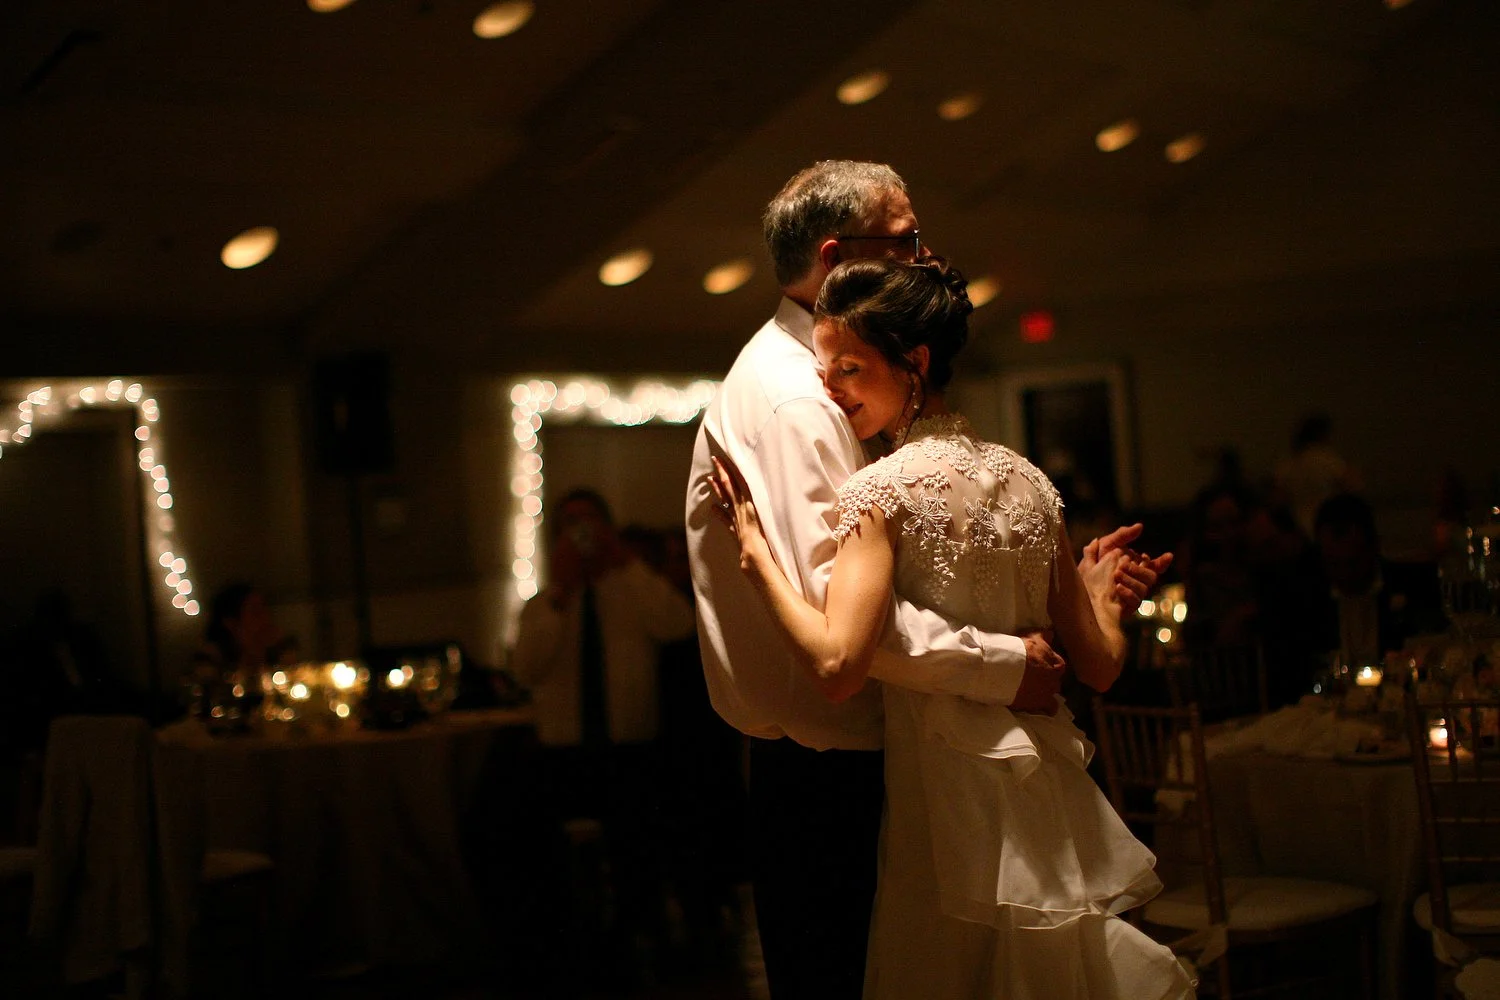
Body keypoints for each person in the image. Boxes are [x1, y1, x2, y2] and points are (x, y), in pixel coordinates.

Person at [684, 160, 1168, 999]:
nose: (925, 253)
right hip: (835, 770)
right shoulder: (804, 400)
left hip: (914, 758)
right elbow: (849, 638)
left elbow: (854, 625)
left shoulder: (849, 416)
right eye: (907, 239)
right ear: (837, 257)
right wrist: (1011, 661)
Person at [510, 488, 697, 984]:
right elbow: (526, 668)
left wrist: (625, 563)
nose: (583, 534)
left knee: (638, 832)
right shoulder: (544, 605)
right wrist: (562, 593)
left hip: (631, 752)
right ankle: (572, 948)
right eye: (571, 525)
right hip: (564, 757)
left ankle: (642, 941)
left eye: (590, 523)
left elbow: (678, 624)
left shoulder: (633, 589)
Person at [1311, 493, 1445, 668]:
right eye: (1334, 564)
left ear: (1374, 547)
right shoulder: (1308, 602)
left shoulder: (1414, 587)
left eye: (1352, 563)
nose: (1344, 575)